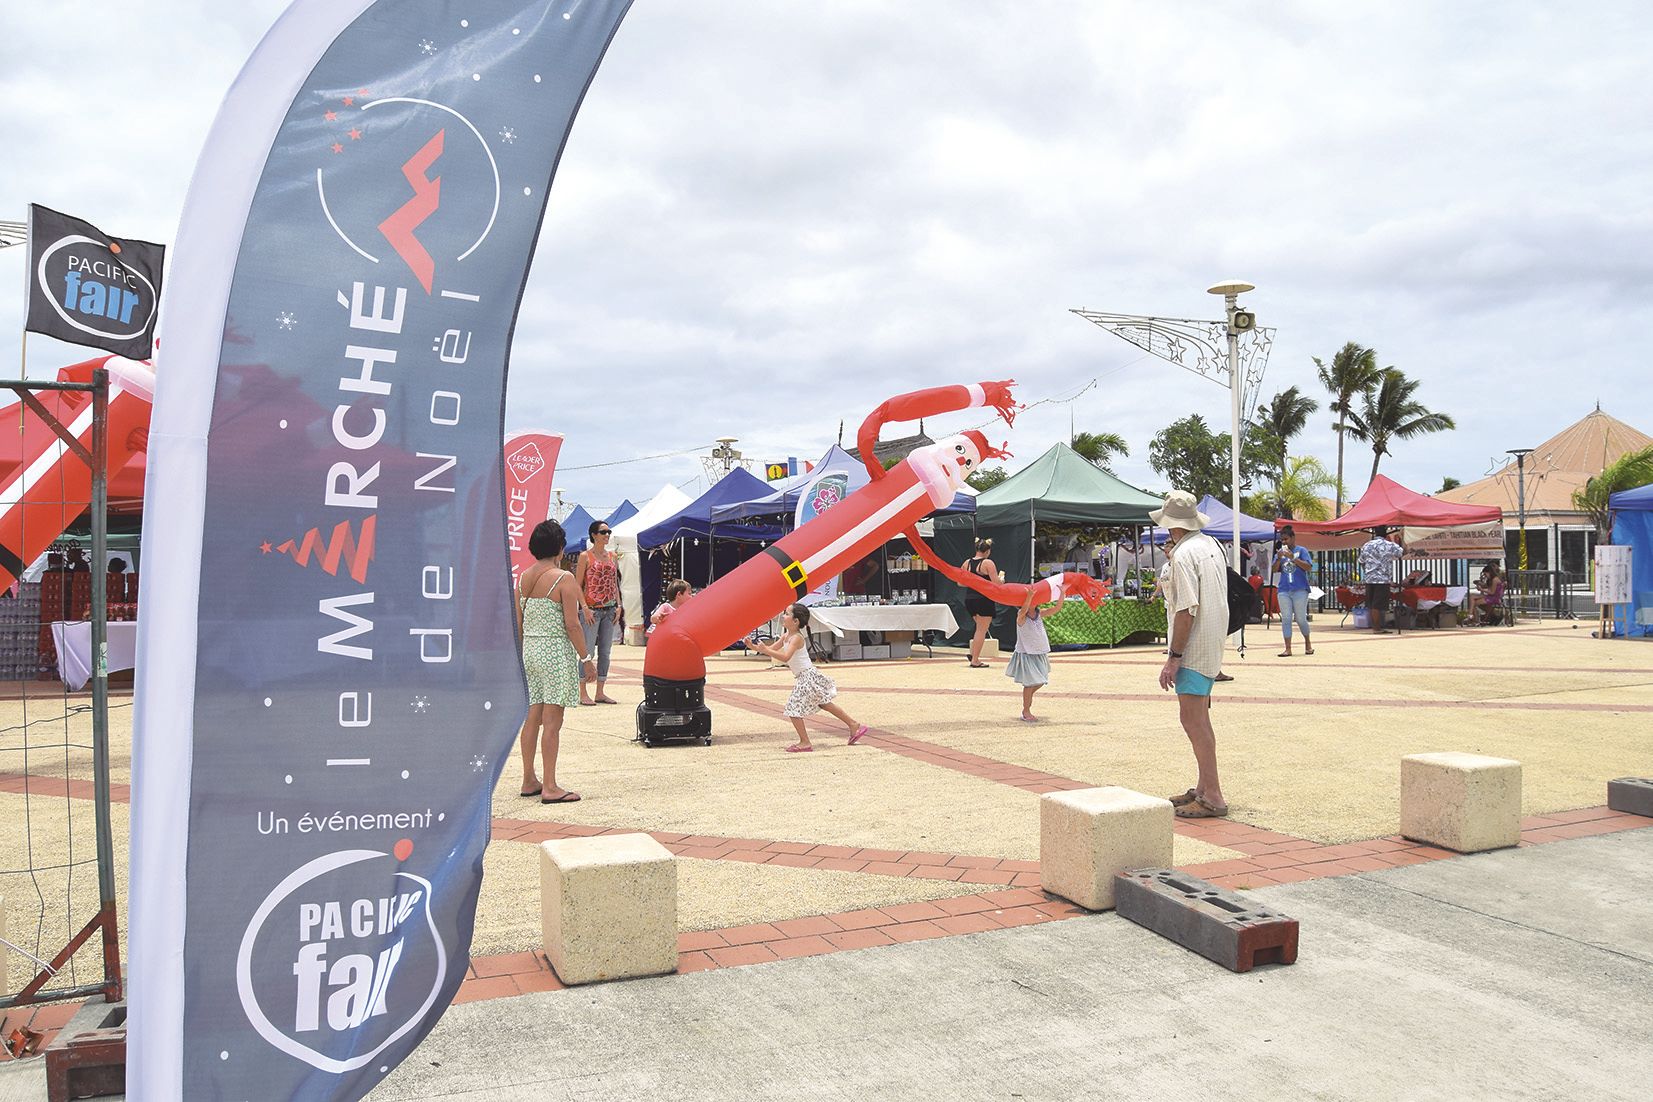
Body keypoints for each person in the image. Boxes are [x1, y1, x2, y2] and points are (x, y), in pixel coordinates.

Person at [1153, 491, 1230, 820]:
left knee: (1193, 719)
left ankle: (1212, 793)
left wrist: (1174, 656)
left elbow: (1186, 610)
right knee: (1200, 719)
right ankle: (1203, 787)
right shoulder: (1212, 546)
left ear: (1171, 526)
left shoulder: (1182, 556)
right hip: (1211, 643)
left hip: (1193, 648)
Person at [517, 520, 595, 804]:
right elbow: (572, 625)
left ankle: (529, 779)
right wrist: (586, 659)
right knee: (553, 722)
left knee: (532, 717)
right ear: (560, 548)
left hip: (531, 650)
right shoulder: (564, 578)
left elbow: (520, 621)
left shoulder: (523, 577)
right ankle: (550, 786)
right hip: (555, 652)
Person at [750, 603, 870, 752]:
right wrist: (754, 646)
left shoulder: (797, 638)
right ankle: (853, 724)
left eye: (787, 614)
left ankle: (805, 742)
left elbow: (785, 657)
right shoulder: (786, 635)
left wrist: (765, 649)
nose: (783, 616)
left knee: (793, 709)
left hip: (807, 677)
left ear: (796, 621)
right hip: (806, 676)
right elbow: (770, 650)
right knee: (824, 703)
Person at [575, 520, 624, 705]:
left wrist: (619, 605)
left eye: (608, 532)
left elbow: (614, 583)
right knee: (587, 651)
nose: (607, 535)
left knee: (605, 651)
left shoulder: (612, 556)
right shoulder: (585, 556)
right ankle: (582, 691)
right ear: (594, 535)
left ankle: (600, 691)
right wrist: (584, 608)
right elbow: (578, 585)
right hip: (592, 611)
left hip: (610, 609)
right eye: (603, 532)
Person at [1007, 589, 1051, 722]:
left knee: (1042, 680)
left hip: (1039, 652)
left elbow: (1055, 609)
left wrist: (1062, 594)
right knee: (1030, 683)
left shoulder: (1039, 614)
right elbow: (1024, 610)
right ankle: (1026, 711)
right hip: (1026, 653)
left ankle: (1027, 698)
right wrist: (1029, 597)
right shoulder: (1021, 616)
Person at [1274, 525, 1315, 657]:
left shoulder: (1301, 550)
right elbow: (1274, 570)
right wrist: (1279, 558)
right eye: (1282, 540)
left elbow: (1308, 567)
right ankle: (1288, 648)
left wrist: (1293, 558)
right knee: (1286, 618)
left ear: (1293, 538)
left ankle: (1308, 643)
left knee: (1300, 619)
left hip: (1300, 589)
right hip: (1284, 589)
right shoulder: (1280, 553)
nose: (1284, 542)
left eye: (1286, 539)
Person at [1357, 527, 1406, 632]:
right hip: (1382, 579)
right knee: (1377, 605)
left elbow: (1361, 561)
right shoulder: (1389, 545)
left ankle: (1376, 626)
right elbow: (1403, 552)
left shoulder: (1367, 545)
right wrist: (1402, 538)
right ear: (1386, 535)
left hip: (1370, 578)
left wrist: (1367, 570)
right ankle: (1377, 628)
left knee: (1372, 604)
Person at [963, 538, 998, 667]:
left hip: (969, 599)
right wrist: (1002, 581)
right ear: (987, 551)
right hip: (983, 599)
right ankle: (975, 660)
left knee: (979, 628)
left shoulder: (967, 563)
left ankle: (974, 654)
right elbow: (996, 584)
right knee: (981, 630)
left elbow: (960, 582)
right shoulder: (988, 563)